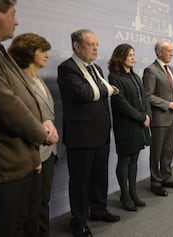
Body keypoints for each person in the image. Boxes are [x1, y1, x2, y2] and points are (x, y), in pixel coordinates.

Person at [0, 1, 57, 236]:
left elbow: (29, 105)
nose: (17, 21)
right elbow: (8, 107)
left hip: (26, 156)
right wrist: (42, 135)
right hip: (7, 161)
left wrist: (46, 125)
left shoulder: (0, 54)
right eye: (14, 14)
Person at [57, 29, 120, 237]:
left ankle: (99, 210)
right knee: (81, 181)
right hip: (81, 136)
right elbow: (83, 94)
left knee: (99, 177)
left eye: (96, 44)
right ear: (77, 46)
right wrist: (109, 89)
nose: (96, 48)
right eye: (91, 44)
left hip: (101, 134)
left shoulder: (96, 69)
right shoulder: (67, 68)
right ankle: (79, 220)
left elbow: (98, 98)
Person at [8, 33, 58, 237]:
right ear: (28, 52)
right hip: (32, 152)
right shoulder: (19, 81)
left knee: (43, 201)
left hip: (48, 151)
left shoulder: (39, 80)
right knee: (31, 207)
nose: (47, 54)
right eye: (42, 50)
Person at [108, 43, 151, 211]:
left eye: (134, 54)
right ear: (121, 57)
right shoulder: (114, 77)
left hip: (140, 125)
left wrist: (147, 115)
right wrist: (141, 117)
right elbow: (121, 104)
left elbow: (144, 98)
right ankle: (124, 195)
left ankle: (133, 193)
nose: (134, 58)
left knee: (134, 159)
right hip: (126, 126)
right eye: (130, 55)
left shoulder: (135, 76)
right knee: (124, 160)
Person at [143, 40, 173, 197]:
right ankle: (155, 181)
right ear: (159, 52)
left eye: (172, 50)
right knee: (157, 152)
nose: (172, 53)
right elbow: (147, 96)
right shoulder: (150, 71)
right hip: (159, 119)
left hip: (172, 117)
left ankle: (167, 177)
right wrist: (169, 104)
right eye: (169, 51)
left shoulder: (171, 69)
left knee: (168, 151)